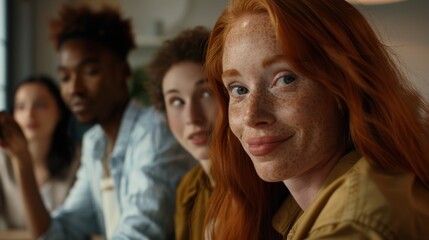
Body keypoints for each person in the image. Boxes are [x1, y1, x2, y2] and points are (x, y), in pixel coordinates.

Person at [204, 0, 429, 239]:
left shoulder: (353, 225)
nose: (251, 115)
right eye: (239, 89)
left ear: (345, 87)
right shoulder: (299, 208)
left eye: (285, 79)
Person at [0, 3, 195, 239]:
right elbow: (56, 233)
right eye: (64, 77)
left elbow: (139, 234)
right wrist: (22, 159)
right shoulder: (95, 144)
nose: (74, 88)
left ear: (122, 71)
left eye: (90, 71)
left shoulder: (153, 131)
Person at [146, 26, 215, 240]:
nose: (192, 117)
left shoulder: (263, 185)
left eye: (205, 93)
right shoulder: (188, 189)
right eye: (176, 101)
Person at [0, 75, 79, 229]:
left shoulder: (79, 158)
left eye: (40, 105)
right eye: (21, 107)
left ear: (60, 111)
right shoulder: (2, 161)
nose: (29, 114)